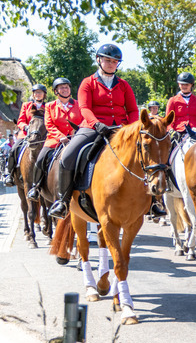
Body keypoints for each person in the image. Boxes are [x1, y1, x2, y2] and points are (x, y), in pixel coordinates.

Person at [49, 43, 140, 219]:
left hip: (121, 129)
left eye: (115, 61)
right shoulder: (87, 83)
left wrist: (130, 128)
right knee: (67, 156)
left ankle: (153, 202)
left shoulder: (124, 85)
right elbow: (84, 107)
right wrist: (97, 124)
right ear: (99, 60)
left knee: (148, 153)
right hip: (93, 127)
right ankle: (63, 201)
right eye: (107, 60)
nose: (111, 64)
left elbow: (133, 110)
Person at [27, 78, 83, 201]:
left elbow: (84, 120)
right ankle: (35, 188)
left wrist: (77, 133)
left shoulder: (79, 104)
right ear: (56, 91)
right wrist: (60, 137)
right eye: (62, 87)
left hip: (76, 139)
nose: (65, 89)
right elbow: (49, 124)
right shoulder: (49, 106)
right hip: (54, 140)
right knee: (40, 159)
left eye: (67, 87)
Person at [2, 83, 48, 185]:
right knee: (14, 148)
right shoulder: (26, 105)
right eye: (36, 93)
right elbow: (20, 121)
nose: (38, 94)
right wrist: (26, 127)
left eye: (40, 92)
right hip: (26, 134)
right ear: (33, 94)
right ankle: (9, 173)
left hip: (43, 135)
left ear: (44, 95)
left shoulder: (49, 106)